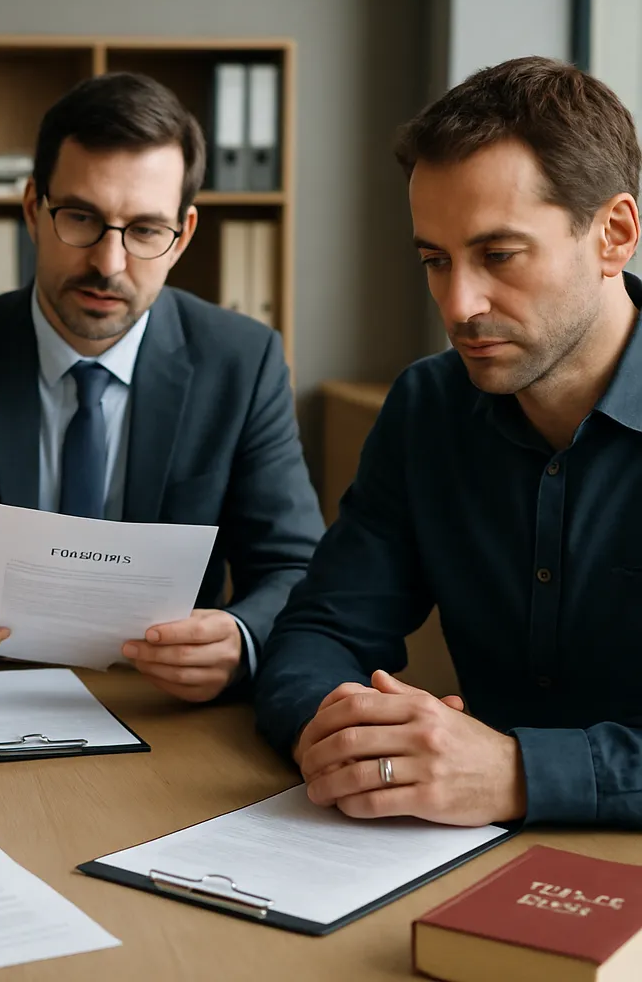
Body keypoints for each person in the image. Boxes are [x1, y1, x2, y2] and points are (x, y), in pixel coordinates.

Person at [254, 56, 642, 829]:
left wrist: (519, 772)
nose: (458, 304)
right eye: (436, 260)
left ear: (614, 235)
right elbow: (321, 632)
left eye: (498, 255)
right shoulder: (428, 406)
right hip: (461, 858)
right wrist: (341, 735)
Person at [0, 72, 324, 702]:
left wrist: (242, 636)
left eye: (143, 231)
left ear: (182, 236)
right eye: (81, 218)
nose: (108, 264)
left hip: (163, 708)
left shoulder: (243, 363)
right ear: (33, 209)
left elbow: (296, 567)